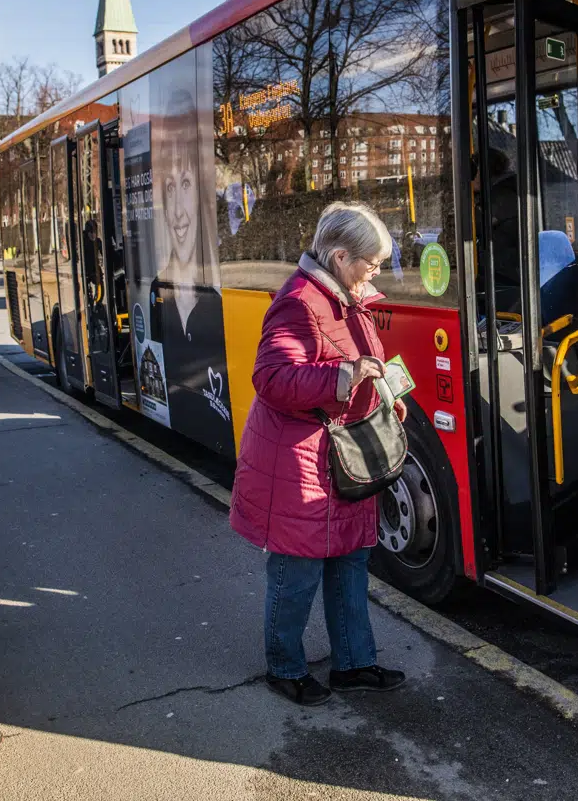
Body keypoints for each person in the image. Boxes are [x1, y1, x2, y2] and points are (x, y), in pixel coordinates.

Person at [229, 202, 408, 706]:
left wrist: (388, 395)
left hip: (340, 457)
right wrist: (344, 377)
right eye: (370, 263)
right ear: (337, 255)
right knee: (297, 572)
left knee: (350, 564)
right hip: (302, 463)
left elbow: (365, 357)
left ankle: (354, 664)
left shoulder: (346, 293)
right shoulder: (299, 303)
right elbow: (271, 378)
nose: (375, 272)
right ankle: (284, 667)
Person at [149, 87, 231, 450]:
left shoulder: (216, 303)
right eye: (170, 187)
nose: (179, 212)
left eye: (186, 185)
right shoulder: (155, 292)